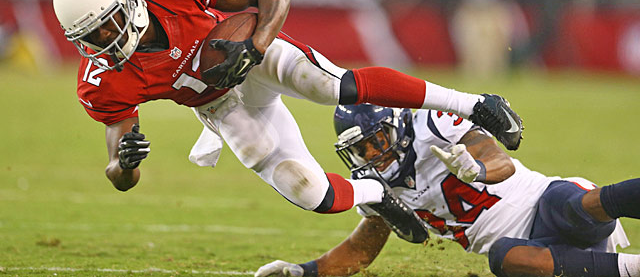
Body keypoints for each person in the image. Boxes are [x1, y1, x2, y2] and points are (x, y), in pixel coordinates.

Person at [51, 0, 523, 242]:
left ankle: (475, 103)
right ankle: (376, 193)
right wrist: (126, 162)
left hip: (248, 54)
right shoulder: (101, 79)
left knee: (336, 84)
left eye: (108, 23)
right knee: (309, 193)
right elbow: (119, 173)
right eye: (89, 35)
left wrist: (253, 46)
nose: (103, 40)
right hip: (218, 103)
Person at [255, 104, 640, 277]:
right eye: (360, 149)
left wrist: (476, 169)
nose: (371, 154)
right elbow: (359, 251)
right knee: (504, 257)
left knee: (572, 205)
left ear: (397, 125)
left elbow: (501, 162)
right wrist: (301, 272)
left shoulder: (434, 126)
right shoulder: (376, 184)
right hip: (537, 254)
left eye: (376, 140)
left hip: (545, 202)